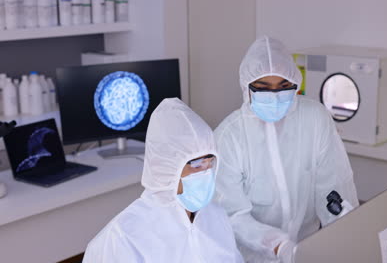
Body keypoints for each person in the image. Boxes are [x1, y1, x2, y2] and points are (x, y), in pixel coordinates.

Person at [214, 36, 360, 263]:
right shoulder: (229, 137)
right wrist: (278, 245)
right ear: (247, 88)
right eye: (263, 88)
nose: (274, 96)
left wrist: (349, 235)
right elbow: (231, 215)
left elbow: (334, 189)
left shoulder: (315, 119)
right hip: (252, 258)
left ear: (295, 83)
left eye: (283, 87)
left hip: (308, 251)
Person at [83, 98, 244, 263]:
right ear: (167, 167)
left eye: (210, 162)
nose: (207, 173)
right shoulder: (123, 237)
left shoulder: (216, 217)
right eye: (197, 165)